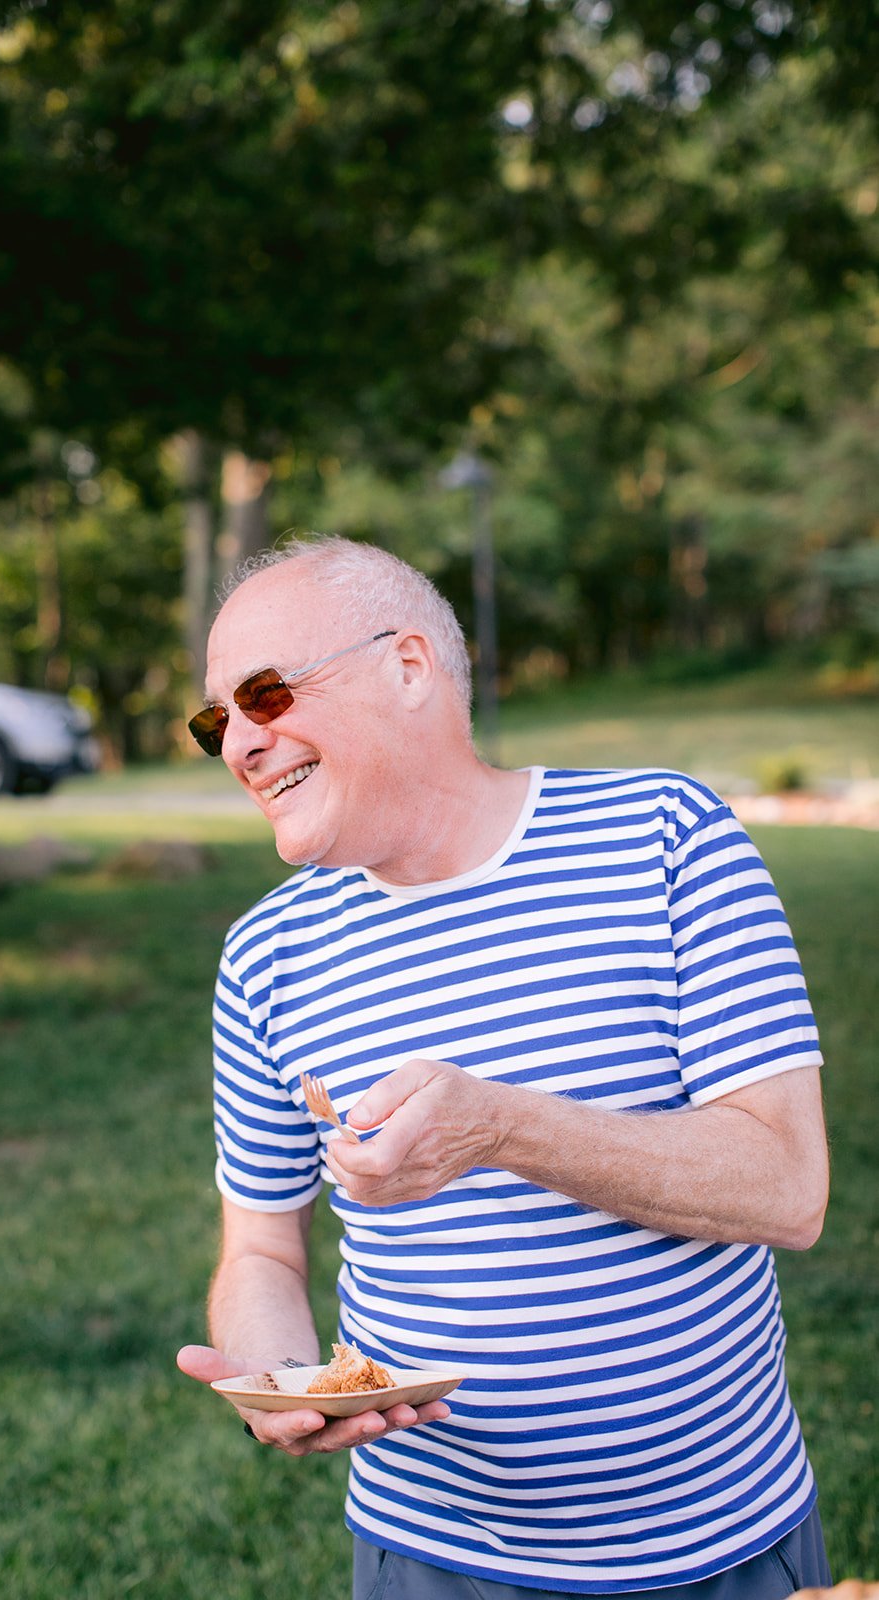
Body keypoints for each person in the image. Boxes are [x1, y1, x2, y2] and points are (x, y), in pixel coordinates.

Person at [176, 535, 832, 1600]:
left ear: (406, 666)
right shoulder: (265, 954)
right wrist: (284, 1379)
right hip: (428, 1555)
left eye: (264, 693)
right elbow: (260, 1247)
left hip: (722, 1544)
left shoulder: (664, 836)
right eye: (217, 720)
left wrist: (500, 1128)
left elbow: (786, 1187)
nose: (238, 743)